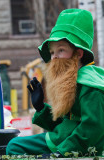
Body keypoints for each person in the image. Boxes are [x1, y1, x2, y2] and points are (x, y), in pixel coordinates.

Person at [6, 8, 104, 157]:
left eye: (61, 50)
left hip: (77, 146)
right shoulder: (71, 80)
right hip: (64, 140)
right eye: (52, 52)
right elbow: (63, 126)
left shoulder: (90, 86)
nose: (54, 58)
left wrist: (61, 153)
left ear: (78, 54)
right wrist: (41, 108)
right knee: (15, 146)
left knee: (15, 148)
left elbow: (93, 128)